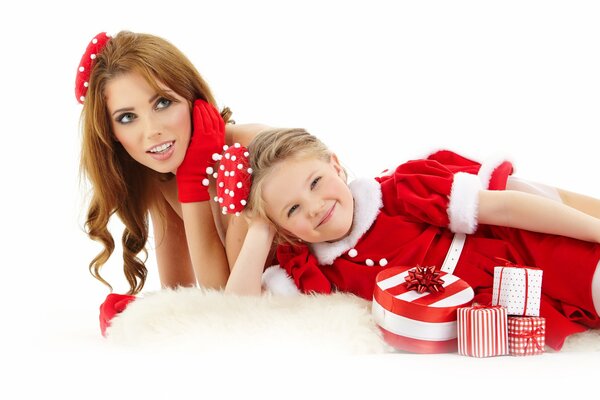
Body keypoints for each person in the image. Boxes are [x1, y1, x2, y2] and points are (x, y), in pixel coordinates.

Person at [222, 127, 600, 350]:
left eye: (316, 182)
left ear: (335, 164)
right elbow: (236, 312)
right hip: (492, 310)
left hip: (525, 253)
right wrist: (260, 226)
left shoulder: (401, 192)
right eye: (292, 210)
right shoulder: (313, 272)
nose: (315, 207)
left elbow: (506, 209)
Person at [75, 31, 268, 335]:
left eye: (163, 102)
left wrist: (194, 183)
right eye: (127, 117)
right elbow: (181, 292)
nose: (152, 131)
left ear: (192, 96)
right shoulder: (161, 176)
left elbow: (226, 303)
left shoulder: (254, 151)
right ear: (110, 132)